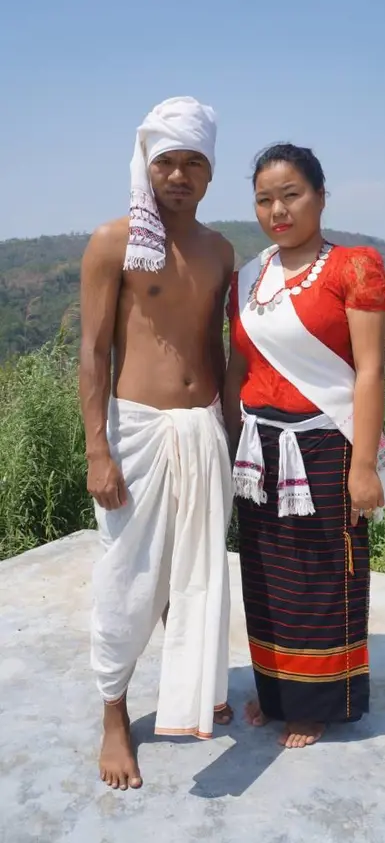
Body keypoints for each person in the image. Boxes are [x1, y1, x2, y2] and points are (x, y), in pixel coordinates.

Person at [224, 143, 385, 750]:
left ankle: (316, 703)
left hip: (327, 447)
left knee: (325, 575)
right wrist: (228, 443)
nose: (277, 210)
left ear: (320, 197)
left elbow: (370, 370)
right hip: (259, 452)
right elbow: (236, 369)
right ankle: (277, 689)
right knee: (267, 575)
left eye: (291, 195)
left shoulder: (354, 268)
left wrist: (364, 466)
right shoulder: (247, 279)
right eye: (264, 200)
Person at [80, 96, 234, 791]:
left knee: (195, 568)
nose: (178, 175)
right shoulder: (113, 242)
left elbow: (216, 346)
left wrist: (232, 432)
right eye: (166, 161)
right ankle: (114, 711)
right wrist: (98, 450)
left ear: (210, 172)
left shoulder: (220, 250)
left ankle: (190, 686)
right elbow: (93, 351)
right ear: (147, 165)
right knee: (128, 576)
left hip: (203, 428)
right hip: (137, 431)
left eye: (192, 163)